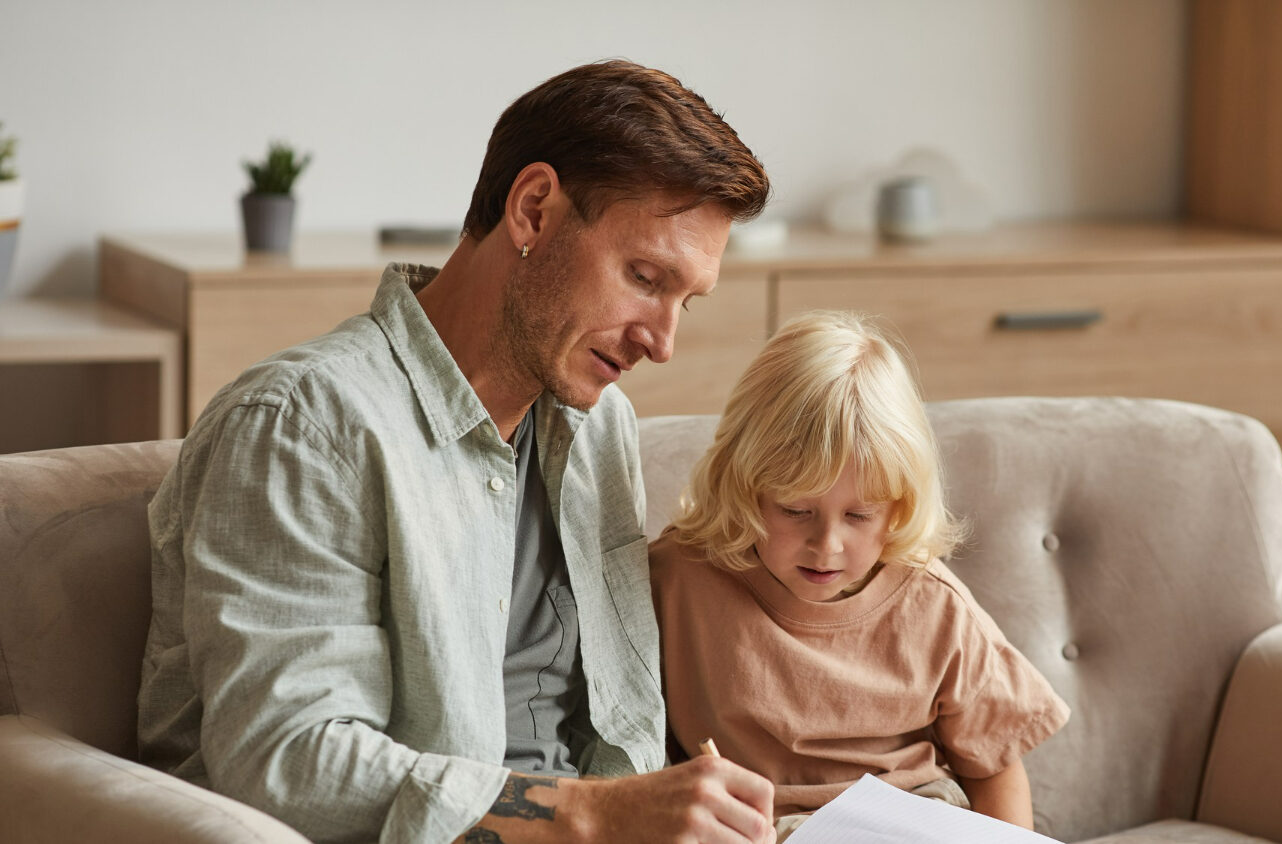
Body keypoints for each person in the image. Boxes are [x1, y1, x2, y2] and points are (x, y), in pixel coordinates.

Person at [137, 60, 777, 844]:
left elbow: (615, 730)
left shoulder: (596, 424)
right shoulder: (306, 426)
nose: (664, 341)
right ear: (534, 210)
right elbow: (289, 762)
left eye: (685, 301)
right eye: (645, 276)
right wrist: (596, 817)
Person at [650, 311, 1071, 841]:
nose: (826, 546)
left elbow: (997, 766)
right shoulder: (679, 579)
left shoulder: (932, 603)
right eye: (795, 511)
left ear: (899, 507)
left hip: (915, 821)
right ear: (743, 484)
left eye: (859, 516)